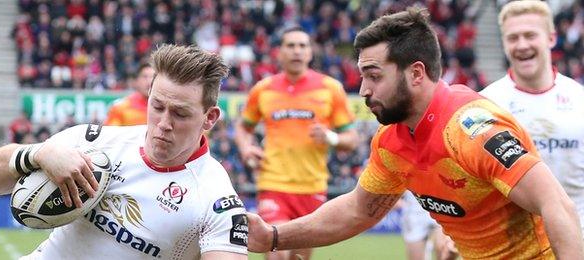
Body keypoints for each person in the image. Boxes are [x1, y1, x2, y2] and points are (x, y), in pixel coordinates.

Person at [246, 7, 584, 259]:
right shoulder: (392, 140)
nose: (363, 89)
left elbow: (556, 204)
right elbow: (358, 211)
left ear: (416, 73)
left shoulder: (471, 128)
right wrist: (274, 236)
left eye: (374, 75)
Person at [0, 44, 248, 259]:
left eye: (180, 113)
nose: (164, 124)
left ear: (210, 118)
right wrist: (37, 154)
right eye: (157, 106)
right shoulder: (96, 140)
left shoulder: (216, 200)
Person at [234, 27, 359, 260]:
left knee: (299, 257)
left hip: (312, 186)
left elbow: (351, 139)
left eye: (302, 46)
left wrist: (331, 137)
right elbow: (243, 127)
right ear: (279, 52)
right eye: (290, 46)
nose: (297, 51)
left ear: (310, 52)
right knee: (278, 253)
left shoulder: (330, 89)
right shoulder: (263, 89)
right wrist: (246, 148)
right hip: (274, 183)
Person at [481, 0, 584, 233]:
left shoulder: (580, 100)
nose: (522, 45)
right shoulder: (485, 105)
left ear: (551, 38)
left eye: (530, 35)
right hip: (513, 245)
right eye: (513, 38)